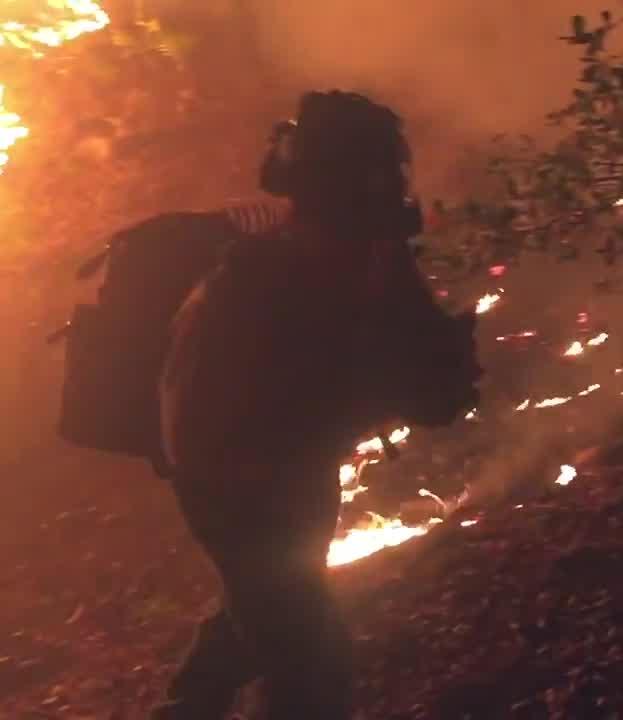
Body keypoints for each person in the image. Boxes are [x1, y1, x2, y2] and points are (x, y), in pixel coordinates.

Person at [150, 90, 475, 719]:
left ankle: (190, 704)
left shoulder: (369, 251)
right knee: (309, 661)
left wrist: (441, 371)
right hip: (231, 480)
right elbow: (247, 402)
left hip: (294, 471)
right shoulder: (260, 278)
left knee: (271, 598)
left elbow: (417, 354)